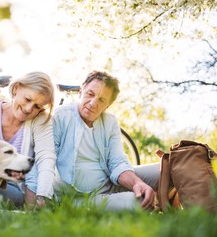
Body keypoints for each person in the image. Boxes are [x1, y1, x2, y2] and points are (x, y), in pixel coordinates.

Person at [53, 70, 160, 211]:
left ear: (107, 106)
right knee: (139, 202)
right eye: (90, 94)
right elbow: (45, 160)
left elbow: (117, 162)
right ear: (81, 91)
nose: (92, 103)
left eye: (102, 100)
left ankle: (180, 202)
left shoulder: (110, 122)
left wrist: (136, 183)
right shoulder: (61, 116)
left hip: (110, 181)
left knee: (166, 169)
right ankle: (161, 199)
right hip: (83, 198)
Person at [0, 71, 56, 208]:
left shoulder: (40, 120)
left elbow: (46, 158)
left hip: (12, 189)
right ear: (16, 88)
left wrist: (42, 195)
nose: (29, 109)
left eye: (37, 106)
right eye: (28, 99)